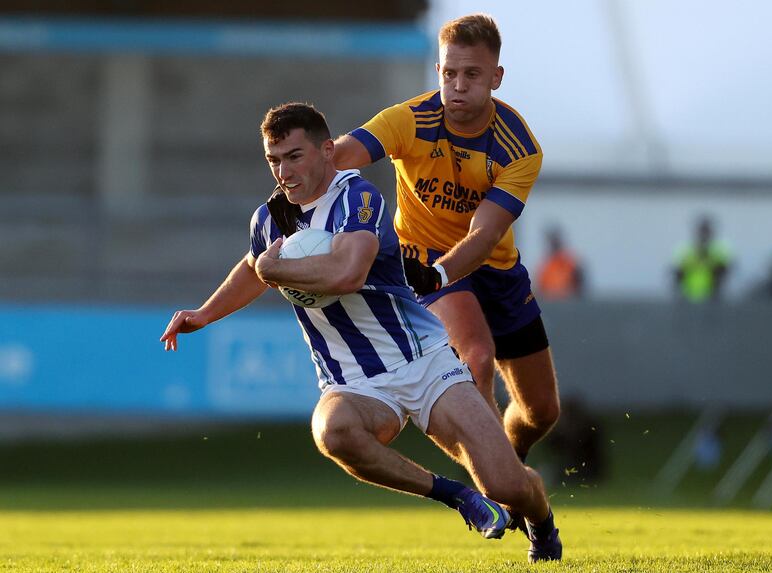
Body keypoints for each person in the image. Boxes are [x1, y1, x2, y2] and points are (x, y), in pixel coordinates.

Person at [160, 103, 561, 562]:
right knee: (331, 431)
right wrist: (206, 313)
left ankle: (541, 521)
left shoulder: (359, 198)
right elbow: (254, 269)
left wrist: (277, 270)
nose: (283, 171)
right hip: (352, 380)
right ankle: (456, 496)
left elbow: (348, 273)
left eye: (294, 156)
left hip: (423, 359)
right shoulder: (268, 219)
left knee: (507, 485)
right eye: (273, 160)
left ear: (327, 151)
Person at [333, 13, 560, 539]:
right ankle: (498, 488)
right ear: (437, 69)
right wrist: (303, 177)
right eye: (450, 73)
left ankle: (509, 461)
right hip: (421, 260)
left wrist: (439, 273)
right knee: (476, 356)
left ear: (496, 78)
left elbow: (483, 237)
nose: (458, 86)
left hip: (492, 268)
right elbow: (344, 153)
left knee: (541, 411)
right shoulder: (409, 119)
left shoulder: (519, 147)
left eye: (472, 75)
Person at [673, 215, 731, 303]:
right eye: (702, 231)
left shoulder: (720, 250)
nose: (704, 234)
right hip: (688, 294)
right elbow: (677, 271)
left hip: (712, 295)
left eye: (706, 231)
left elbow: (725, 270)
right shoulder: (686, 250)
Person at [536, 227, 584, 300]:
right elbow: (540, 289)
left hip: (568, 304)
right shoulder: (545, 267)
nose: (554, 243)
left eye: (556, 240)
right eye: (552, 241)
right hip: (551, 305)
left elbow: (579, 286)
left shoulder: (571, 263)